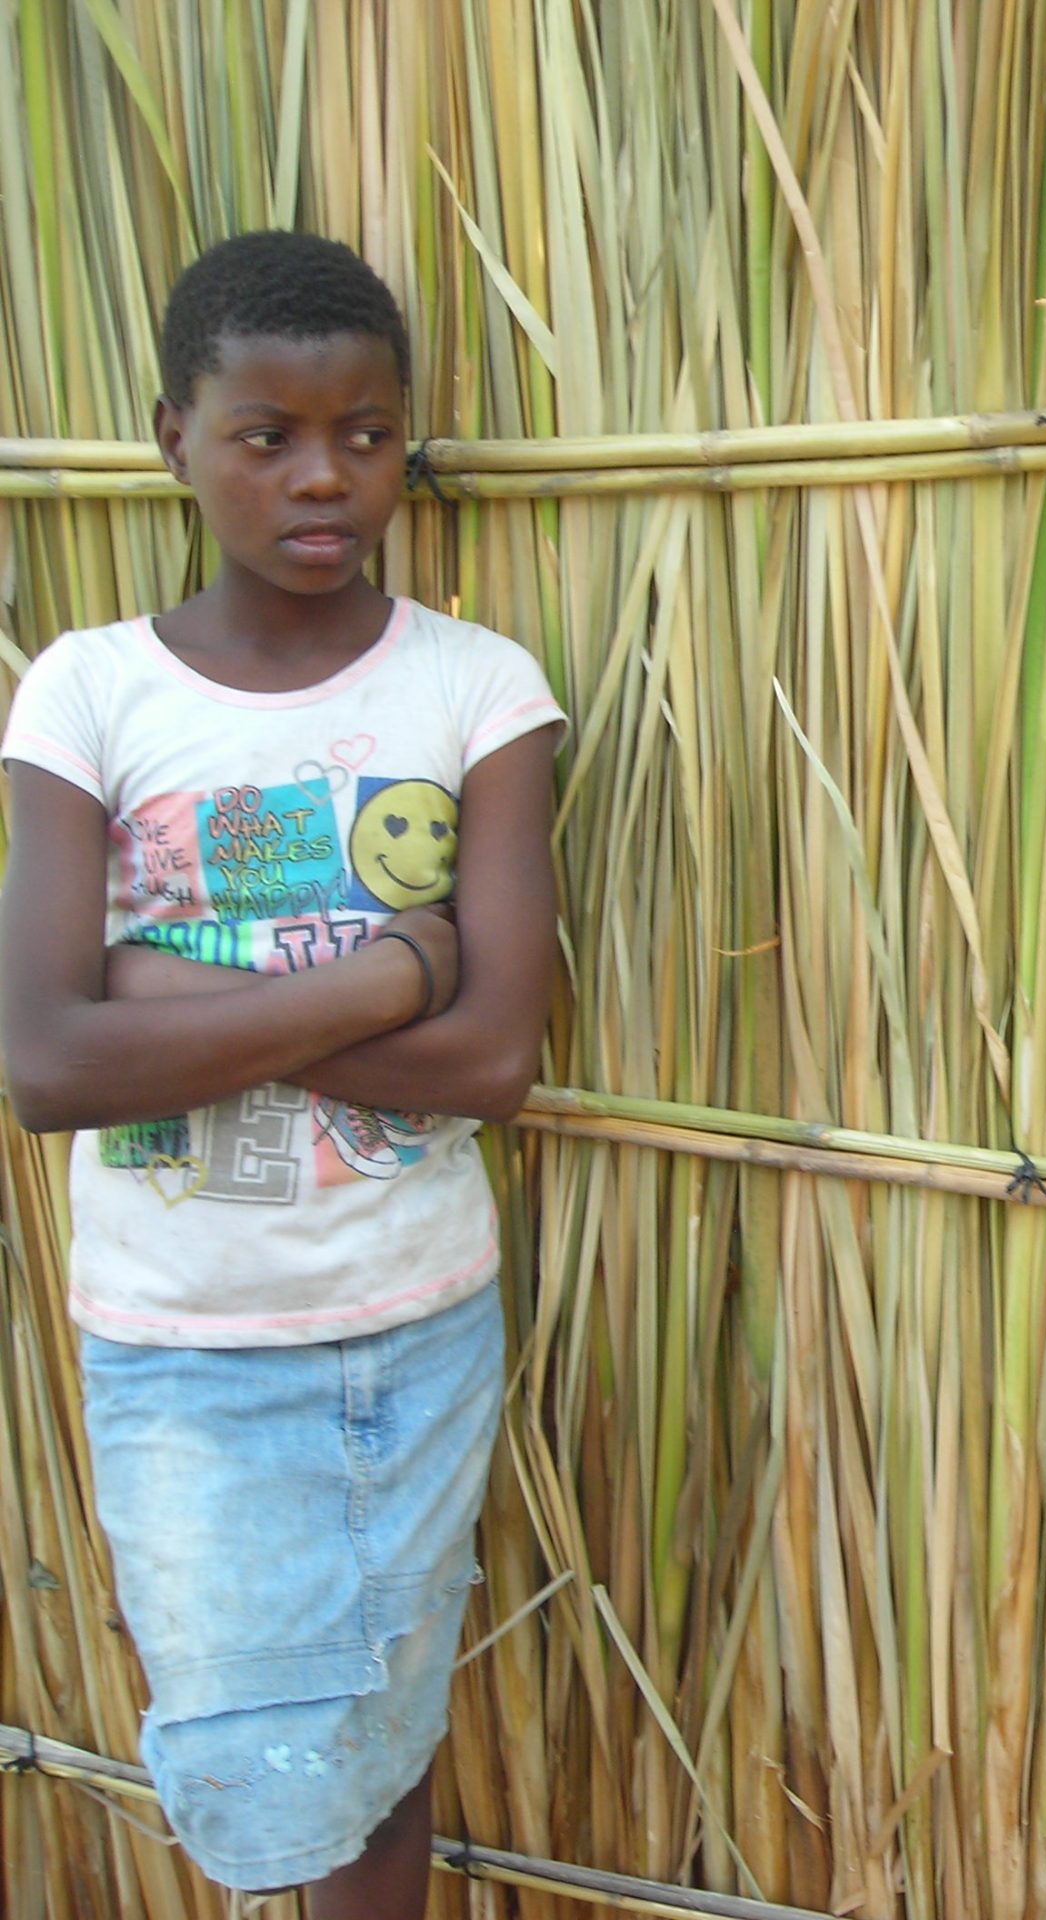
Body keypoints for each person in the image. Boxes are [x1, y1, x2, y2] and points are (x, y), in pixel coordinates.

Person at [0, 230, 563, 1917]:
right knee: (255, 1777)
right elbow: (44, 1061)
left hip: (413, 1320)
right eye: (268, 435)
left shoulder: (477, 688)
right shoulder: (85, 692)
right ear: (174, 435)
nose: (325, 476)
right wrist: (395, 964)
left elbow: (495, 1057)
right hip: (184, 1343)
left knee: (383, 1756)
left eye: (368, 434)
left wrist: (166, 992)